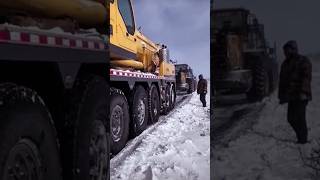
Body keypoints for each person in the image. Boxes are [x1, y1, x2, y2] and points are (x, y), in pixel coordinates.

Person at [278, 40, 312, 144]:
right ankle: (300, 136)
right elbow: (282, 81)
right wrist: (281, 96)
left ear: (293, 49)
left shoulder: (303, 60)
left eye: (287, 50)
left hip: (301, 95)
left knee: (300, 118)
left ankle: (303, 140)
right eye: (284, 50)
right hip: (291, 96)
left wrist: (303, 91)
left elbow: (306, 77)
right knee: (290, 119)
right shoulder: (285, 64)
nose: (285, 52)